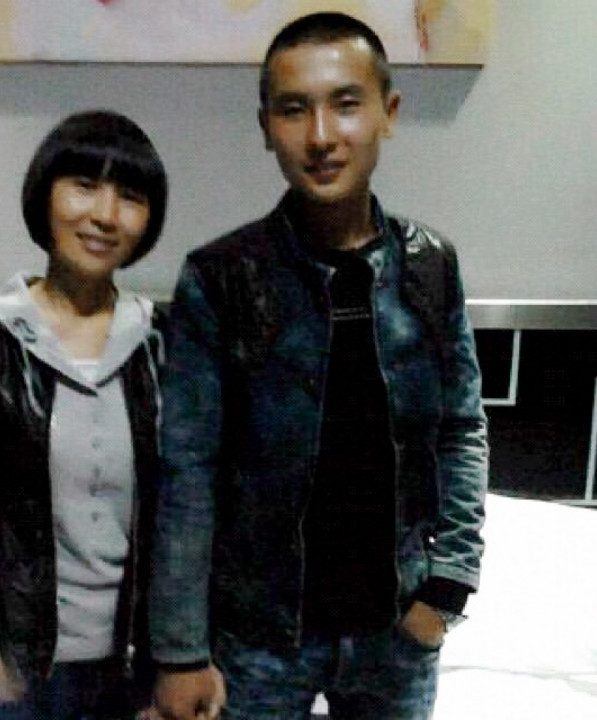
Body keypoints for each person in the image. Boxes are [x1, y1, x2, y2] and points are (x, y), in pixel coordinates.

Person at [149, 12, 488, 720]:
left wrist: (448, 586)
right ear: (266, 126)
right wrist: (180, 651)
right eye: (294, 109)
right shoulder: (220, 277)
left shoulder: (431, 266)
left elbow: (460, 430)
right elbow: (188, 473)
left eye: (346, 103)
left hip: (397, 631)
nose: (322, 136)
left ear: (388, 113)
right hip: (258, 636)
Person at [0, 109, 168, 720]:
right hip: (20, 676)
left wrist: (176, 662)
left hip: (136, 676)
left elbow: (194, 518)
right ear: (44, 195)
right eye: (84, 186)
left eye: (130, 196)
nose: (105, 214)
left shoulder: (164, 345)